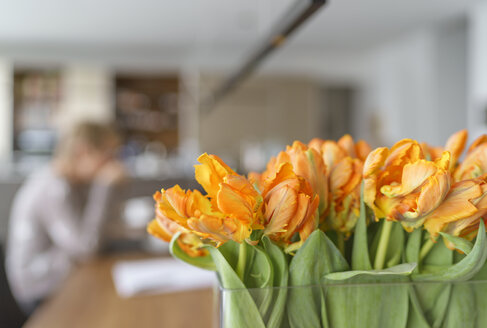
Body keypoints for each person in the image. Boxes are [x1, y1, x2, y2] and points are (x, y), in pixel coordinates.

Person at [5, 121, 126, 313]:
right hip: (42, 290)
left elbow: (99, 231)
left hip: (69, 278)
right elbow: (87, 249)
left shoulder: (73, 183)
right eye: (108, 155)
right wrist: (104, 187)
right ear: (83, 151)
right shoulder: (53, 187)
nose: (114, 164)